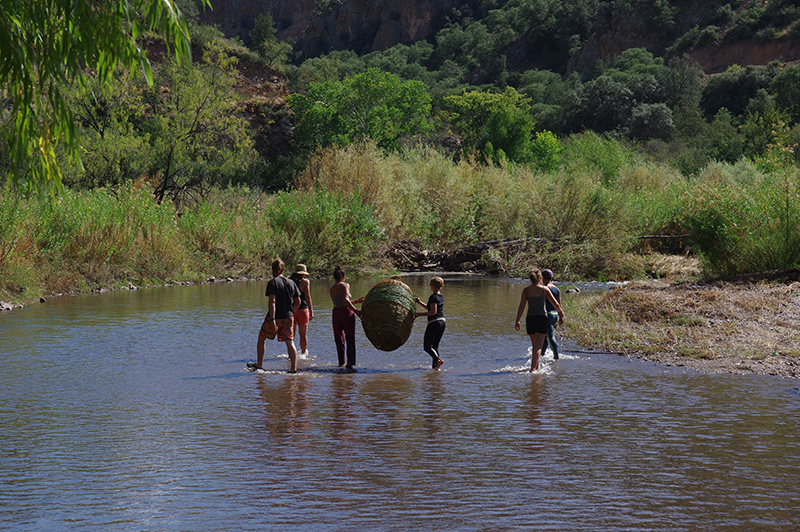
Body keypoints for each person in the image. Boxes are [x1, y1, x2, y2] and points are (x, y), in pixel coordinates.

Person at [254, 258, 302, 373]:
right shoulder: (291, 282)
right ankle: (293, 369)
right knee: (290, 342)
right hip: (288, 317)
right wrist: (292, 313)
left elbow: (273, 301)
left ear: (272, 270)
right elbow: (298, 301)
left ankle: (259, 365)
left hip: (275, 317)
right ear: (283, 269)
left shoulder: (273, 282)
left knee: (262, 338)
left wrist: (273, 319)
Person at [514, 268, 564, 372]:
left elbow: (521, 306)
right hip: (541, 319)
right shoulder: (544, 290)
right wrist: (560, 313)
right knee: (538, 347)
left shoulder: (526, 290)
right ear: (540, 278)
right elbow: (555, 304)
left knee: (534, 347)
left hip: (530, 319)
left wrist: (517, 320)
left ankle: (537, 367)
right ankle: (533, 370)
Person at [330, 266, 363, 372]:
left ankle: (341, 362)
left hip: (336, 313)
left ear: (334, 277)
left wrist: (356, 301)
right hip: (346, 313)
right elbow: (345, 300)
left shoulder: (332, 288)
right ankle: (350, 363)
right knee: (350, 337)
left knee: (339, 338)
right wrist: (356, 310)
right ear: (343, 277)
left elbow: (340, 302)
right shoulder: (345, 285)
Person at [414, 276, 446, 370]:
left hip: (434, 323)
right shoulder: (441, 296)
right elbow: (431, 308)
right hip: (442, 322)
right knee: (435, 347)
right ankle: (435, 368)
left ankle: (438, 360)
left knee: (427, 347)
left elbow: (433, 312)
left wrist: (418, 314)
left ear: (432, 285)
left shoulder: (433, 297)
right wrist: (420, 303)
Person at [289, 264, 314, 356]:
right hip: (303, 310)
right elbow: (307, 297)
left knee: (291, 335)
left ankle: (291, 354)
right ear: (303, 274)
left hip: (292, 309)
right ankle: (303, 353)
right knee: (303, 335)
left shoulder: (290, 281)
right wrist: (311, 310)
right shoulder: (305, 282)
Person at [541, 269, 561, 360]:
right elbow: (559, 304)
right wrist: (561, 316)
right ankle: (541, 355)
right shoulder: (557, 289)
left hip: (547, 315)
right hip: (555, 314)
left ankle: (556, 356)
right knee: (545, 335)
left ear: (542, 278)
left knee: (549, 336)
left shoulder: (543, 289)